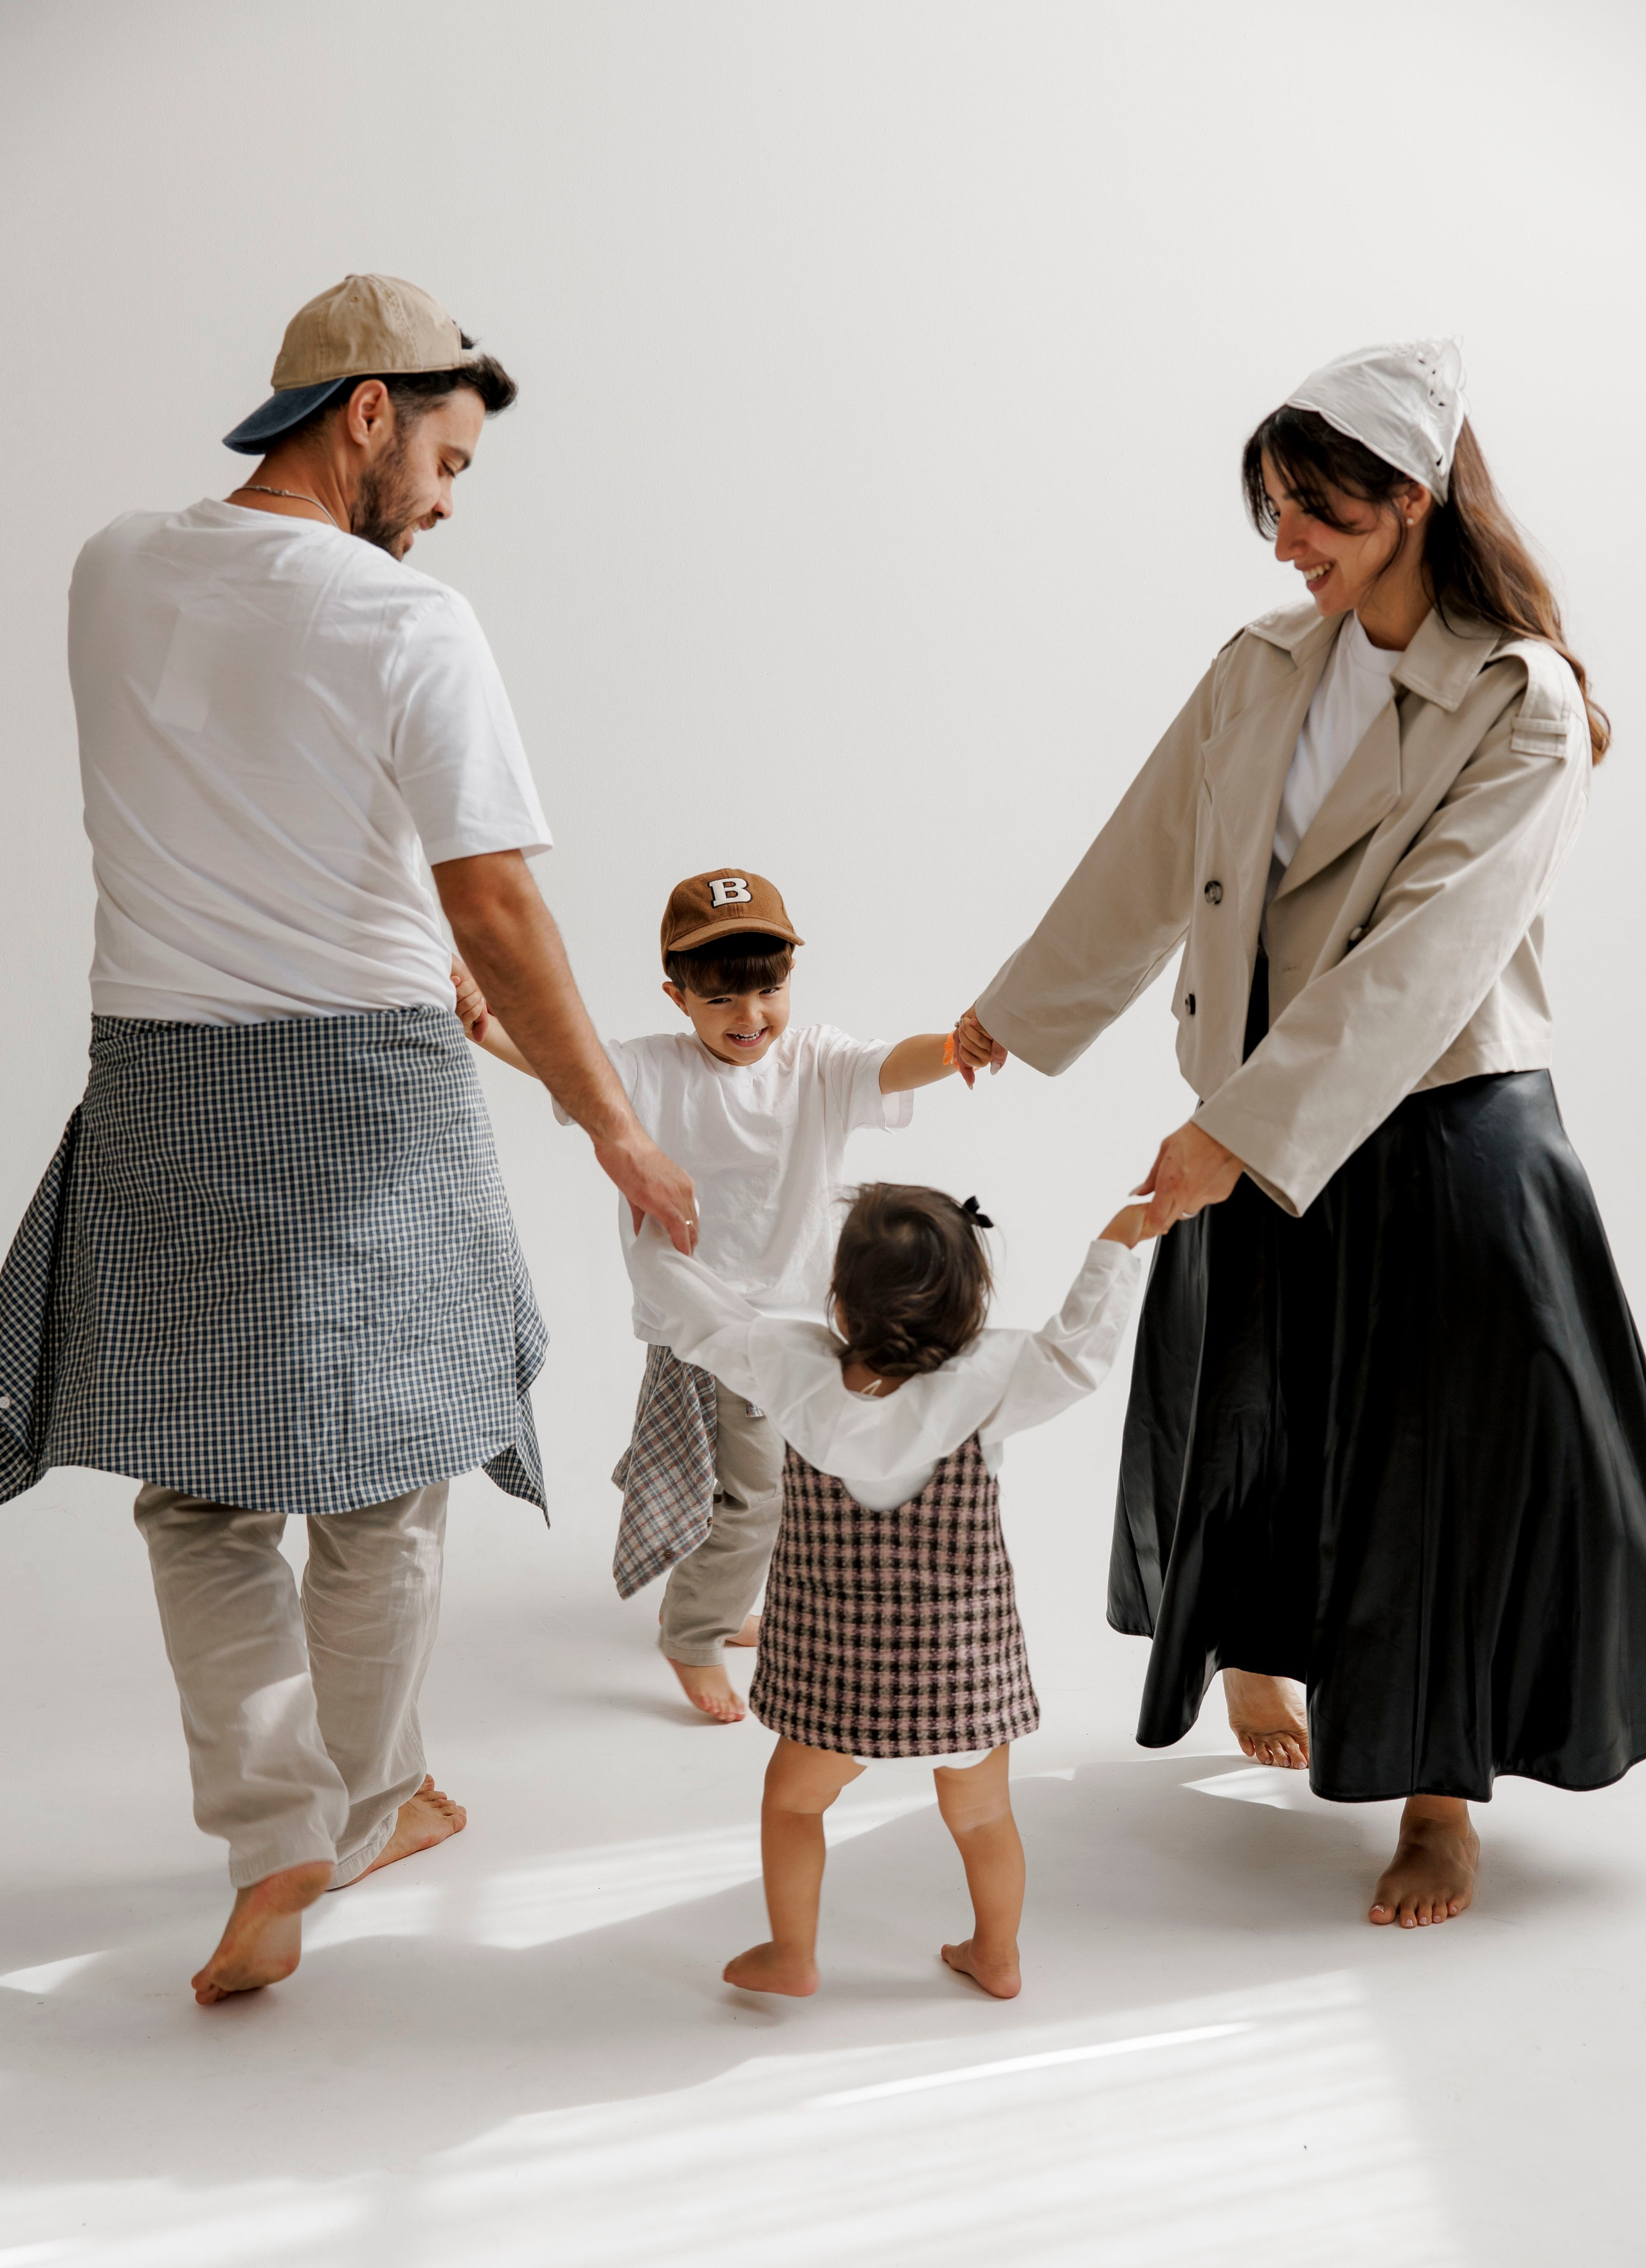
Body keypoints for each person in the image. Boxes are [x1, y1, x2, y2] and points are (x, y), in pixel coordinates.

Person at [0, 273, 696, 2006]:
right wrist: (609, 1120)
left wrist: (430, 957)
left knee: (205, 1495)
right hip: (367, 1090)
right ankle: (374, 1800)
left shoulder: (110, 566)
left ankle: (274, 1829)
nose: (452, 502)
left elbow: (262, 804)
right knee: (385, 1485)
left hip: (161, 1075)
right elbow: (501, 901)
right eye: (449, 458)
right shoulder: (409, 621)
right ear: (367, 414)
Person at [955, 339, 1646, 1931]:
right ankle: (1261, 1649)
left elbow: (1426, 957)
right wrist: (1022, 1010)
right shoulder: (1264, 660)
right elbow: (1150, 849)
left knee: (1439, 1472)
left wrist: (1233, 1135)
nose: (1285, 543)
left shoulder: (1519, 699)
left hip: (1439, 1128)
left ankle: (1432, 1803)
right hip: (1257, 1106)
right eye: (1270, 510)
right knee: (1258, 1412)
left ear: (1408, 501)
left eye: (1313, 511)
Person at [458, 868, 992, 1721]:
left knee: (787, 1475)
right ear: (677, 997)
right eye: (722, 1004)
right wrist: (487, 1026)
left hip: (801, 1323)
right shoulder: (650, 1071)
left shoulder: (814, 1061)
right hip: (715, 1321)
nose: (750, 1021)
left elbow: (886, 1065)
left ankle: (726, 1603)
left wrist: (957, 1047)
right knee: (758, 1495)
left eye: (769, 994)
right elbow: (567, 1065)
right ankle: (692, 1633)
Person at [627, 1183, 1148, 1997]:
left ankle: (792, 1954)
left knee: (794, 1806)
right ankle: (997, 1954)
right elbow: (1078, 1351)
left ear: (839, 1299)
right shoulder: (993, 1380)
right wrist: (1119, 1239)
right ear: (972, 1303)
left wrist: (652, 1235)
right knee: (982, 1818)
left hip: (835, 1683)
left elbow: (696, 1315)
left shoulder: (789, 1366)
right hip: (961, 1677)